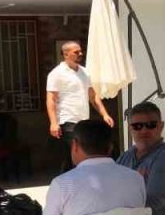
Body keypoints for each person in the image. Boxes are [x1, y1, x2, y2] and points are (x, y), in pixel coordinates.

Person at [46, 41, 114, 172]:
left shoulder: (85, 72)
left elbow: (93, 96)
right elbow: (51, 99)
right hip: (67, 120)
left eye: (81, 51)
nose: (80, 54)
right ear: (66, 54)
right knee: (71, 156)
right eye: (76, 52)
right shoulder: (57, 73)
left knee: (83, 157)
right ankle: (65, 186)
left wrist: (105, 114)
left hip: (83, 121)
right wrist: (53, 123)